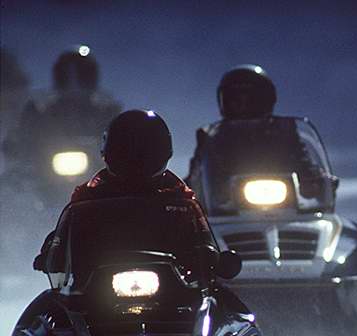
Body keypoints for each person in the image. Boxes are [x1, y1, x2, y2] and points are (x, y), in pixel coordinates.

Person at [37, 109, 215, 270]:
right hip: (95, 289)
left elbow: (202, 239)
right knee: (49, 298)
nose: (135, 159)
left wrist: (210, 255)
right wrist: (53, 250)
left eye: (145, 151)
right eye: (125, 150)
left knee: (220, 295)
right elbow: (64, 236)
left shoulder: (180, 197)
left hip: (172, 288)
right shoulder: (88, 195)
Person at [186, 64, 335, 209]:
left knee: (334, 224)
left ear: (267, 99)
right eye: (234, 99)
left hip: (288, 209)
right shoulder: (212, 137)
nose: (243, 105)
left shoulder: (285, 131)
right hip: (227, 211)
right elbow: (198, 174)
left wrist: (320, 181)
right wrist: (185, 191)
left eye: (251, 98)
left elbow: (303, 162)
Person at [2, 46, 121, 181]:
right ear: (59, 78)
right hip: (44, 174)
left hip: (96, 174)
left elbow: (122, 140)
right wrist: (18, 148)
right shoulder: (40, 110)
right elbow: (20, 138)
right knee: (15, 182)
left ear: (92, 78)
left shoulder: (107, 111)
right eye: (66, 77)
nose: (74, 85)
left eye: (83, 76)